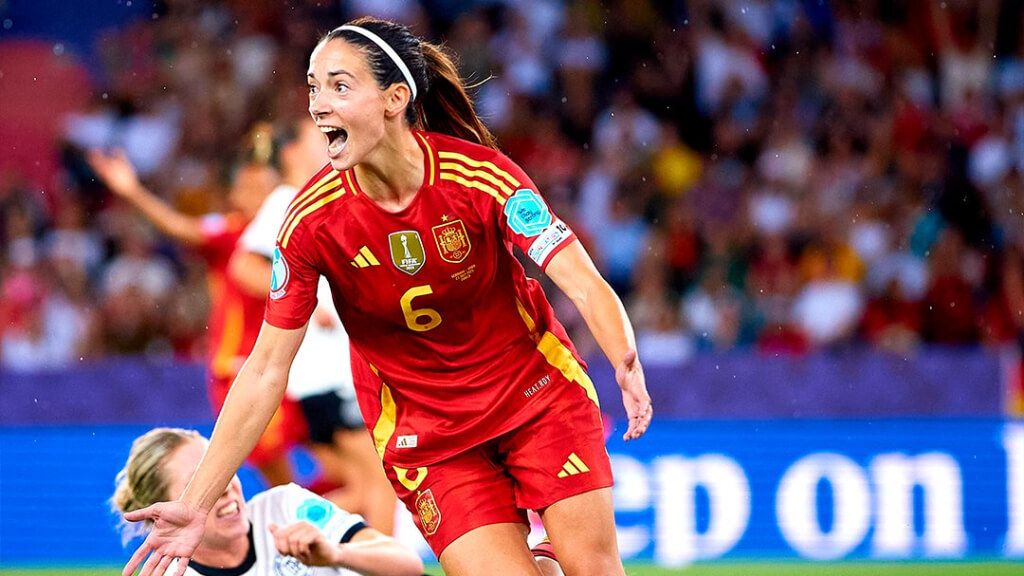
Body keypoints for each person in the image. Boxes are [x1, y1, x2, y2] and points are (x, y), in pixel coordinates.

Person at [122, 16, 652, 576]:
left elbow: (580, 279)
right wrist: (195, 504)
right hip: (430, 435)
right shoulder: (308, 222)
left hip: (535, 396)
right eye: (312, 87)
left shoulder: (483, 177)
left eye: (339, 86)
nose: (318, 105)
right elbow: (265, 370)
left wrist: (624, 355)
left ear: (395, 98)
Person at [87, 133, 307, 488]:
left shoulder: (296, 229)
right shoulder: (232, 232)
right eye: (247, 188)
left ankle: (323, 520)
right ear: (234, 194)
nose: (256, 196)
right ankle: (304, 526)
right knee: (284, 483)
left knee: (333, 462)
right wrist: (131, 192)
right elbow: (180, 228)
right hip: (240, 367)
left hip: (289, 369)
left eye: (264, 187)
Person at [228, 118, 397, 533]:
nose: (329, 144)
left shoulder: (326, 198)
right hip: (326, 376)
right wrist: (299, 302)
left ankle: (272, 536)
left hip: (326, 376)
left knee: (359, 486)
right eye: (317, 139)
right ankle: (381, 564)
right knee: (382, 480)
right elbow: (242, 266)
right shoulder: (288, 198)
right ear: (290, 153)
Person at [112, 427, 425, 576]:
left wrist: (336, 553)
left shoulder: (285, 506)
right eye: (196, 483)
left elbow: (408, 566)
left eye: (218, 470)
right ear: (162, 515)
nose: (222, 487)